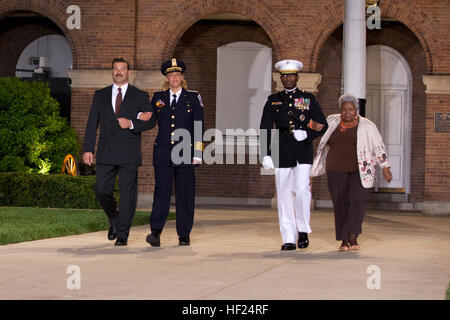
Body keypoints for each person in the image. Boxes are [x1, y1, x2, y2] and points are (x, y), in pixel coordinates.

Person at [83, 57, 156, 246]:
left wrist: (131, 123)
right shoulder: (100, 95)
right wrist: (88, 149)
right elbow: (92, 124)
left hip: (129, 153)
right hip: (105, 152)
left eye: (122, 69)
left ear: (128, 72)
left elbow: (151, 121)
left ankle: (122, 234)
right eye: (115, 68)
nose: (119, 71)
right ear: (112, 71)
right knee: (101, 189)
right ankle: (114, 218)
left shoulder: (140, 96)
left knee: (127, 196)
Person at [260, 59, 328, 251]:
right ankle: (288, 237)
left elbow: (322, 122)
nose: (287, 78)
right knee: (283, 195)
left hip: (302, 149)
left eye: (291, 75)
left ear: (297, 77)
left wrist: (308, 133)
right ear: (281, 78)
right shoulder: (273, 100)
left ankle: (303, 230)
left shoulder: (307, 98)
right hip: (281, 149)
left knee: (301, 190)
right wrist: (265, 153)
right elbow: (265, 128)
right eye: (284, 76)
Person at [311, 93, 393, 251]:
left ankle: (353, 235)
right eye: (344, 109)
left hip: (360, 170)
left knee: (358, 201)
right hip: (335, 169)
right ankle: (344, 240)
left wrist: (385, 168)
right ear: (340, 110)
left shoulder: (367, 125)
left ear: (356, 109)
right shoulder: (332, 121)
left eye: (350, 109)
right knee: (340, 204)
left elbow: (379, 147)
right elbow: (319, 134)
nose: (347, 112)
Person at [139, 58, 204, 247]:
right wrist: (138, 117)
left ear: (182, 77)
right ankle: (155, 232)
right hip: (163, 151)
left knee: (185, 194)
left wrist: (197, 153)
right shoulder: (158, 97)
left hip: (185, 151)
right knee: (161, 192)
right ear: (166, 78)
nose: (174, 78)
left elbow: (199, 126)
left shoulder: (193, 97)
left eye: (177, 74)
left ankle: (184, 234)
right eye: (170, 75)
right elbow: (150, 119)